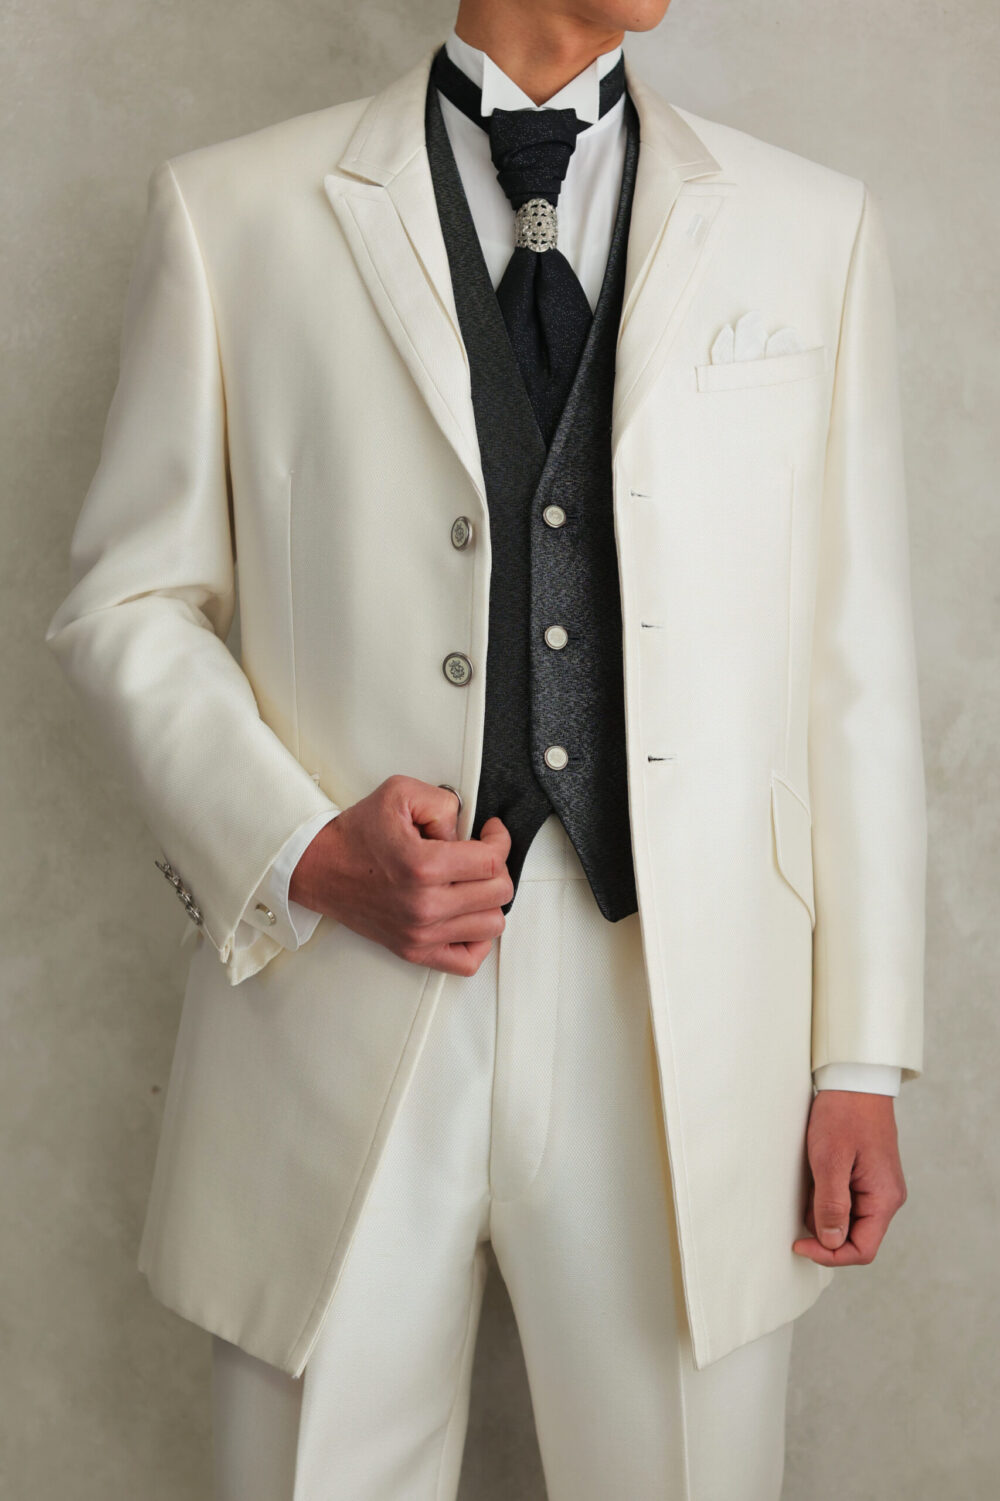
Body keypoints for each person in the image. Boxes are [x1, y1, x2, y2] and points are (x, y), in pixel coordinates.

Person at [44, 1, 927, 1496]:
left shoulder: (811, 231)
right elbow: (127, 603)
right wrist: (299, 849)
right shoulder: (232, 213)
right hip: (335, 991)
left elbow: (855, 667)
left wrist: (858, 1054)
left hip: (690, 1020)